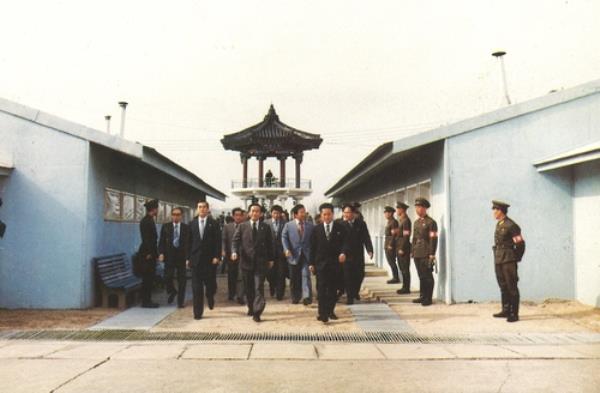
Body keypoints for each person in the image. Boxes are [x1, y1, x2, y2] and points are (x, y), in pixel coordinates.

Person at [231, 203, 274, 322]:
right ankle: (251, 307)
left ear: (261, 214)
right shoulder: (242, 226)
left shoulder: (265, 227)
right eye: (253, 211)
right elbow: (235, 241)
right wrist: (234, 252)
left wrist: (271, 259)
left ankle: (257, 312)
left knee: (259, 287)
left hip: (260, 263)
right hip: (246, 262)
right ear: (249, 213)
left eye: (257, 211)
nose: (255, 213)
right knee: (249, 288)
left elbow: (270, 244)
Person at [309, 203, 348, 323]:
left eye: (329, 214)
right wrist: (311, 263)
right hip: (321, 264)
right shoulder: (316, 229)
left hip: (335, 264)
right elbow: (312, 247)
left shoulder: (340, 228)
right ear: (321, 216)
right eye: (324, 214)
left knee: (332, 289)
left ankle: (330, 310)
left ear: (333, 214)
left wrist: (343, 253)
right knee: (321, 289)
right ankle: (322, 313)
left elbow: (345, 243)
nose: (327, 217)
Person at [492, 200, 525, 323]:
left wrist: (516, 258)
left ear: (501, 211)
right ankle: (506, 309)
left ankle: (514, 313)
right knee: (503, 286)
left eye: (495, 210)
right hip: (499, 259)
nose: (493, 212)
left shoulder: (511, 225)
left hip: (508, 260)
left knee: (511, 286)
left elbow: (520, 244)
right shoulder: (499, 224)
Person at [189, 200, 221, 319]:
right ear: (197, 209)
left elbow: (218, 241)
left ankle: (210, 296)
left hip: (210, 260)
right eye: (200, 207)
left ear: (207, 209)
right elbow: (188, 242)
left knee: (210, 285)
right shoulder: (191, 224)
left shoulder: (214, 223)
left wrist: (217, 256)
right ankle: (198, 313)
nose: (202, 209)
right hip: (196, 260)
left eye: (204, 207)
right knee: (196, 287)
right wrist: (188, 258)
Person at [282, 204, 314, 305]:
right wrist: (286, 249)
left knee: (306, 275)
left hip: (306, 255)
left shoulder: (310, 225)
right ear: (295, 214)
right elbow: (284, 237)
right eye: (301, 212)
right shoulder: (288, 225)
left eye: (304, 212)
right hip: (293, 255)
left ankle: (307, 297)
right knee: (294, 277)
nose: (304, 214)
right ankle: (296, 296)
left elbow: (313, 239)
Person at [341, 203, 373, 304]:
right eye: (344, 212)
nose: (346, 214)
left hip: (358, 254)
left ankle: (355, 292)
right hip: (345, 255)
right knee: (348, 276)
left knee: (359, 274)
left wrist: (369, 250)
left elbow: (366, 237)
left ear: (354, 213)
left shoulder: (361, 223)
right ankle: (350, 297)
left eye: (348, 212)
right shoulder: (339, 224)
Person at [158, 207, 190, 308]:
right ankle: (172, 291)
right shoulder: (166, 227)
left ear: (181, 216)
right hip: (169, 256)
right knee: (167, 277)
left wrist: (188, 258)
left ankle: (180, 302)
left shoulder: (186, 228)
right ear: (171, 215)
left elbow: (189, 244)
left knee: (182, 280)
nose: (176, 216)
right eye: (174, 214)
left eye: (178, 214)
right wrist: (161, 253)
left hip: (182, 257)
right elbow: (161, 241)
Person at [411, 198, 438, 306]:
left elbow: (433, 239)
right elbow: (414, 238)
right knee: (421, 275)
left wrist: (432, 254)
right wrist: (412, 250)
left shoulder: (431, 222)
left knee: (427, 276)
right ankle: (422, 296)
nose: (417, 209)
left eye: (419, 207)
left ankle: (428, 298)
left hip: (426, 252)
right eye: (416, 207)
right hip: (417, 252)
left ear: (424, 208)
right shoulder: (416, 222)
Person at [138, 199, 160, 308]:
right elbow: (147, 239)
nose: (157, 210)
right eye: (156, 208)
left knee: (150, 278)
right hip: (147, 253)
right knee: (147, 278)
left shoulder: (149, 220)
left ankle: (147, 300)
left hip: (150, 252)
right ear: (153, 209)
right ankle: (146, 301)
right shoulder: (146, 221)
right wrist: (150, 253)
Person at [222, 207, 246, 303]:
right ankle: (232, 293)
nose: (238, 217)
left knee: (241, 275)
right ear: (233, 216)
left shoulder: (245, 226)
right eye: (236, 215)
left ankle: (240, 294)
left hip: (243, 254)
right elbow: (224, 240)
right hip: (230, 254)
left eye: (240, 215)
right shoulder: (227, 227)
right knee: (232, 274)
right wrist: (223, 250)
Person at [265, 205, 288, 300]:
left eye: (278, 213)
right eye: (274, 213)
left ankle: (280, 293)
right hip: (269, 253)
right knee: (270, 274)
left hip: (281, 253)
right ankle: (272, 287)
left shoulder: (285, 223)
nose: (276, 215)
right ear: (271, 213)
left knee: (281, 273)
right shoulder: (266, 223)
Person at [395, 202, 412, 294]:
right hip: (399, 247)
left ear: (402, 209)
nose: (397, 210)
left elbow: (406, 236)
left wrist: (402, 248)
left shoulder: (406, 221)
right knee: (402, 268)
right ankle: (404, 286)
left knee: (405, 269)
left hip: (403, 248)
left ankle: (406, 288)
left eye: (398, 209)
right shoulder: (401, 220)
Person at [383, 206, 400, 284]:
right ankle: (394, 277)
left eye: (386, 213)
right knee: (390, 262)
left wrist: (391, 244)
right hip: (387, 244)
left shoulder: (394, 222)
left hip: (390, 245)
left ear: (390, 213)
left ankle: (396, 278)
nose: (385, 214)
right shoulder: (389, 222)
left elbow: (394, 235)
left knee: (392, 261)